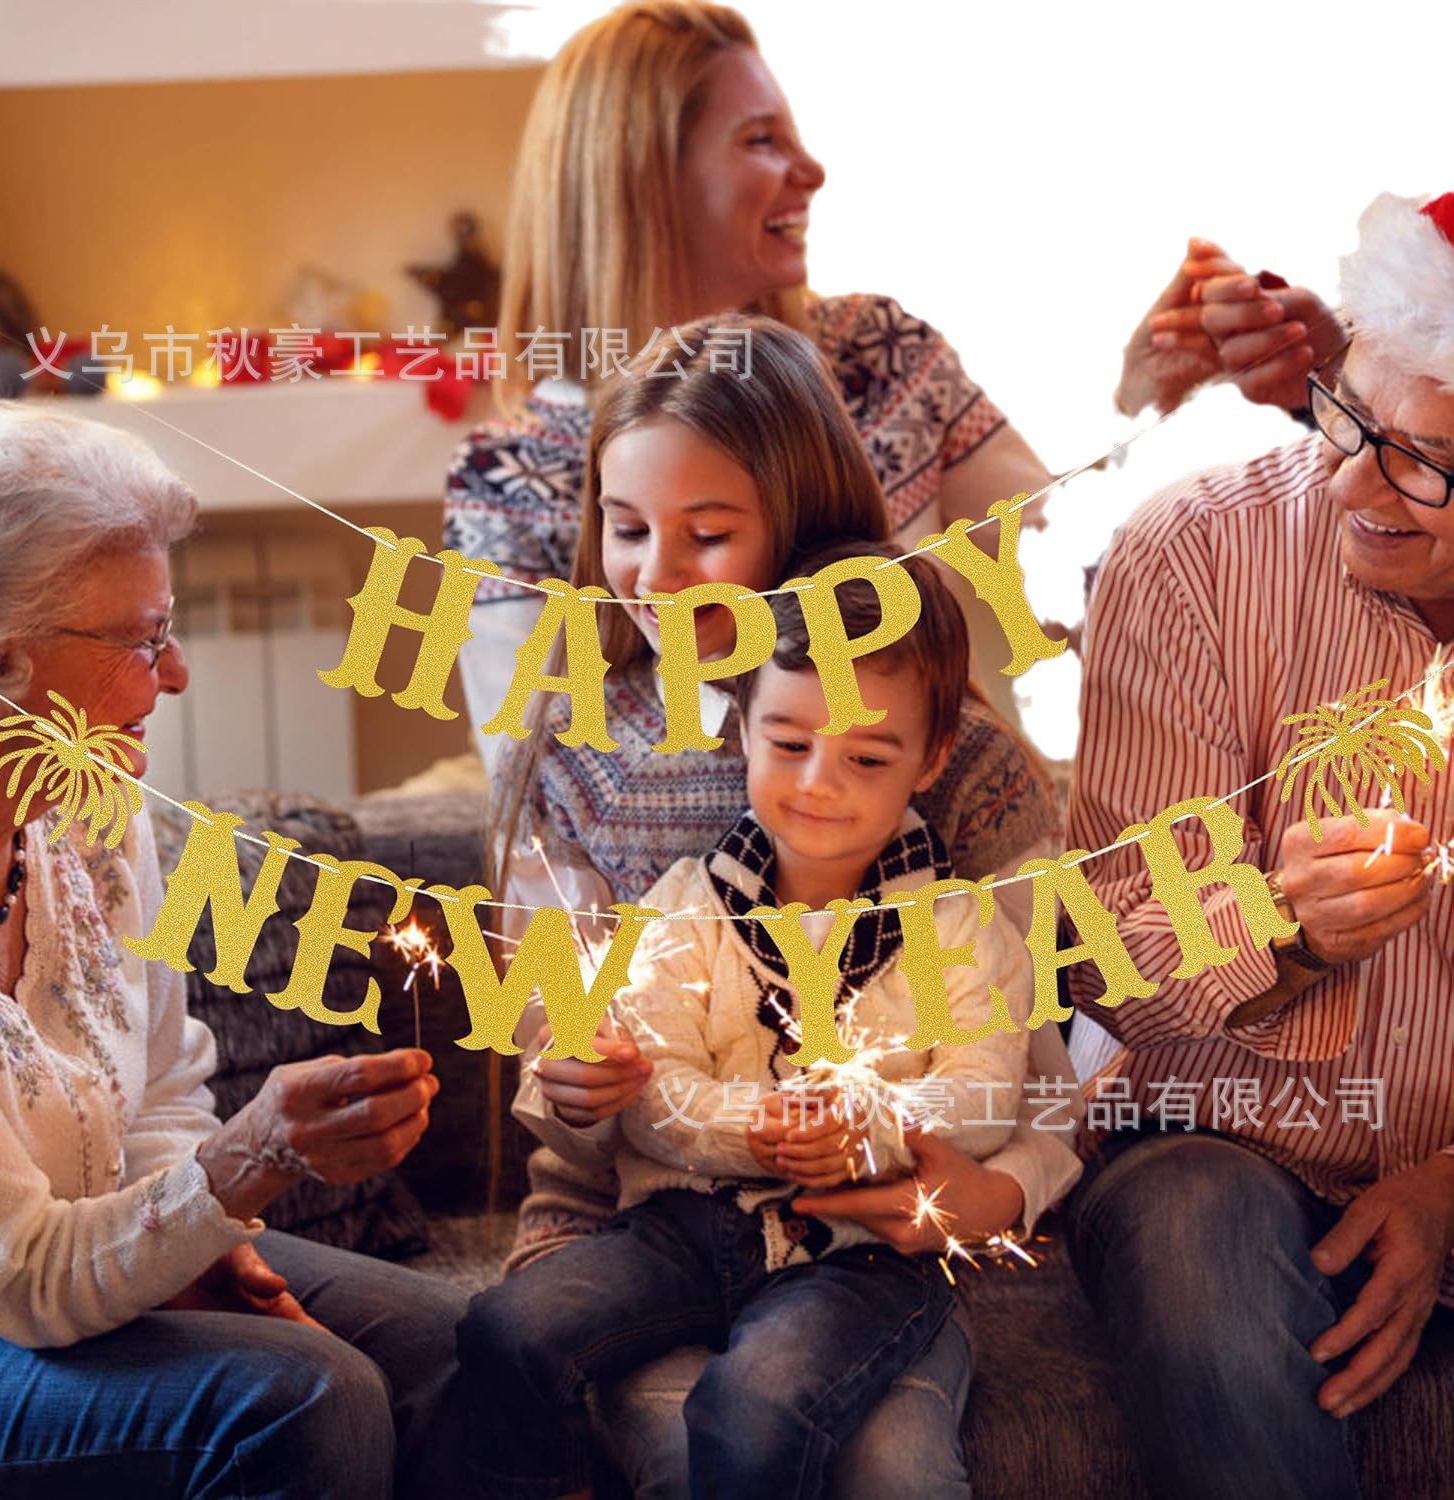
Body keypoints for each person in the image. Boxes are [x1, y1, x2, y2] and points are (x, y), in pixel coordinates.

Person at [497, 317, 1082, 1495]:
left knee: (894, 1471)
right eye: (624, 529)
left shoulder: (956, 761)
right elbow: (552, 1072)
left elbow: (1052, 1068)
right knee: (689, 1446)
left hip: (886, 1247)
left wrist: (1000, 1188)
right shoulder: (580, 752)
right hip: (636, 1232)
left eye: (707, 535)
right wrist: (567, 1084)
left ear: (800, 520)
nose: (654, 575)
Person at [445, 0, 1240, 763]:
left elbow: (1073, 568)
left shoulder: (879, 352)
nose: (812, 170)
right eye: (761, 140)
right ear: (644, 180)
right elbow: (541, 786)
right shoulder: (508, 480)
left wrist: (1144, 400)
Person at [0, 403, 463, 1500]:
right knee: (304, 1396)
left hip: (80, 1257)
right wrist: (238, 1173)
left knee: (446, 1342)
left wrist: (187, 1246)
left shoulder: (95, 809)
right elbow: (20, 1279)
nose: (179, 672)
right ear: (1, 661)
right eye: (143, 639)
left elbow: (160, 1087)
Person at [1062, 191, 1454, 1499]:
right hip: (1230, 1150)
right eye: (1349, 414)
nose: (1350, 478)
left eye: (1426, 459)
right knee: (1193, 1219)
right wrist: (1275, 931)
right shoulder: (1194, 556)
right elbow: (1105, 958)